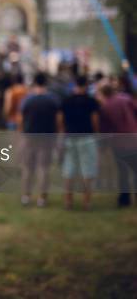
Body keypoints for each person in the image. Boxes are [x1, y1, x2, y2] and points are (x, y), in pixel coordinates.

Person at [18, 72, 59, 207]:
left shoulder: (27, 100)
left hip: (30, 137)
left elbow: (21, 120)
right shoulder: (53, 100)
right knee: (44, 169)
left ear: (34, 83)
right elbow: (58, 119)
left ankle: (26, 196)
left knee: (28, 169)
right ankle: (42, 198)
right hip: (47, 137)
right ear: (45, 83)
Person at [59, 76, 100, 210]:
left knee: (69, 170)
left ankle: (68, 202)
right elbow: (95, 121)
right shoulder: (91, 101)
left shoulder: (66, 101)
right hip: (87, 137)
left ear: (74, 84)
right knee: (88, 170)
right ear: (86, 85)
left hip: (70, 137)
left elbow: (60, 120)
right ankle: (86, 202)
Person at [98, 84, 137, 207]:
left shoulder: (105, 107)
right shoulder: (126, 98)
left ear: (103, 94)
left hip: (120, 143)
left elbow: (104, 130)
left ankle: (124, 199)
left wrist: (103, 146)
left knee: (123, 171)